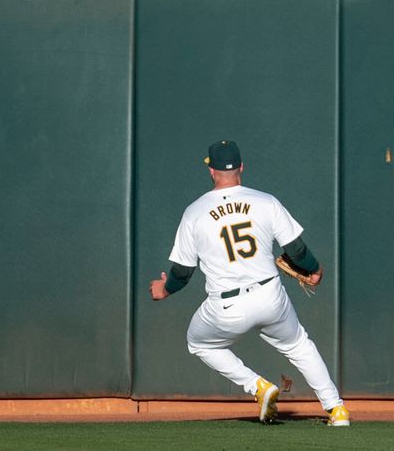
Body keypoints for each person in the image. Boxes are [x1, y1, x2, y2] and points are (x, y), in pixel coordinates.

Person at [149, 140, 349, 426]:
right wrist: (315, 269)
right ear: (241, 167)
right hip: (270, 294)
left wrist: (164, 290)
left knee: (199, 343)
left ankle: (258, 387)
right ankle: (337, 409)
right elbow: (297, 250)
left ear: (211, 171)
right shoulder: (266, 201)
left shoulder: (195, 211)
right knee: (299, 346)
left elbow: (182, 272)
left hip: (226, 304)